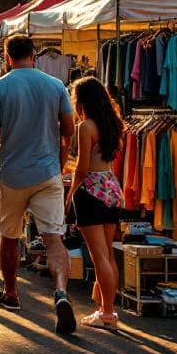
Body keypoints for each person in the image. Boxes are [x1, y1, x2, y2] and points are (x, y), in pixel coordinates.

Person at [0, 35, 76, 334]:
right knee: (53, 239)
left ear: (7, 57)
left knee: (9, 236)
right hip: (48, 172)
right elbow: (68, 131)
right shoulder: (56, 85)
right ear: (34, 55)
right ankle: (61, 292)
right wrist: (59, 162)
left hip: (12, 174)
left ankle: (10, 293)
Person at [65, 77, 124, 330]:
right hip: (111, 187)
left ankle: (107, 313)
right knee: (107, 253)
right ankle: (105, 308)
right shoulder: (113, 124)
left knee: (98, 254)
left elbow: (82, 168)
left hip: (90, 189)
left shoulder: (86, 126)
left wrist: (69, 197)